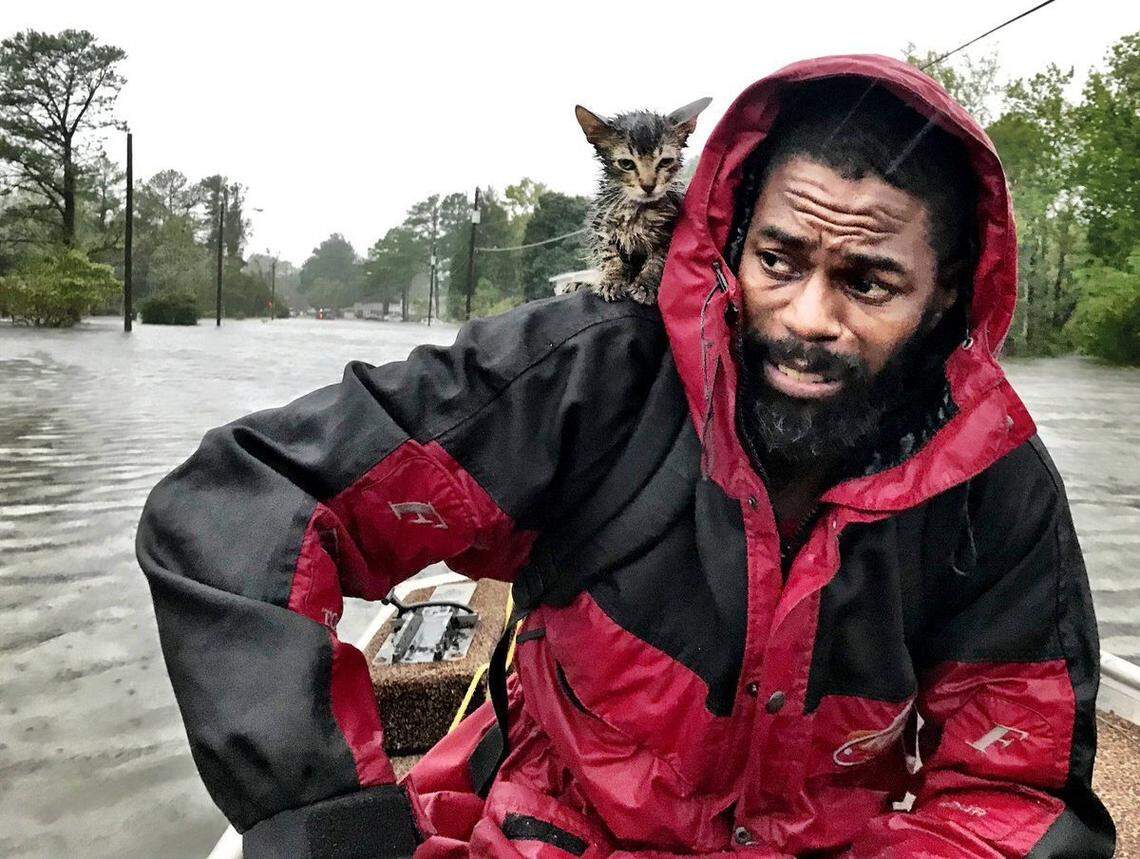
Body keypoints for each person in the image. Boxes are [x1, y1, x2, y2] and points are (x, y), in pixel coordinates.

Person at [137, 55, 1116, 858]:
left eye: (869, 281)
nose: (809, 319)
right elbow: (250, 505)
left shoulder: (992, 484)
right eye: (779, 261)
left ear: (943, 297)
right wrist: (332, 829)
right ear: (733, 242)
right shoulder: (591, 375)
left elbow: (1015, 793)